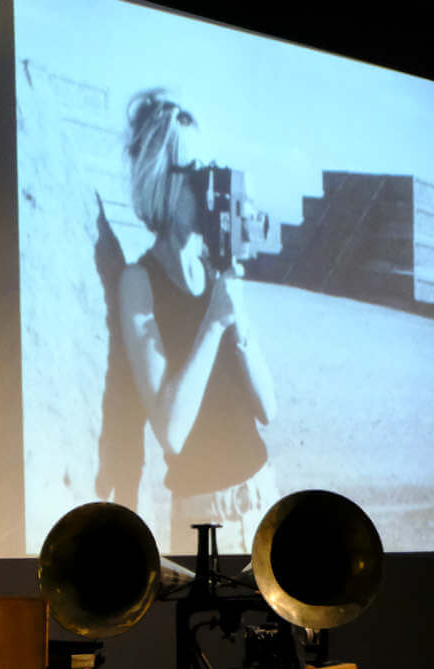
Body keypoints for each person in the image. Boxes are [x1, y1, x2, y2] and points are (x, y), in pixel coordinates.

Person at [113, 89, 278, 551]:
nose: (209, 187)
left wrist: (237, 321)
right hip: (207, 523)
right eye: (195, 174)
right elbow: (171, 433)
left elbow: (269, 408)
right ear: (163, 180)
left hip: (264, 498)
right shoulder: (138, 282)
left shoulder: (216, 271)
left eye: (211, 170)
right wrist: (213, 322)